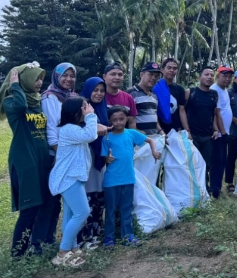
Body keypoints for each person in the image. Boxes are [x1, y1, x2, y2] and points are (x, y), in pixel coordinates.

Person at [0, 63, 51, 258]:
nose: (39, 82)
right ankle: (17, 253)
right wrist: (15, 84)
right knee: (30, 207)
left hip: (42, 159)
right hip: (25, 161)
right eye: (35, 78)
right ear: (23, 80)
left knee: (45, 203)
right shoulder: (12, 101)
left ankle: (37, 244)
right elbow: (20, 106)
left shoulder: (36, 102)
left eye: (41, 78)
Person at [102, 106, 161, 247]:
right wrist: (106, 159)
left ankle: (128, 236)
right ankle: (109, 238)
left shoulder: (131, 133)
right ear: (109, 121)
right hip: (111, 180)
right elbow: (103, 157)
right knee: (110, 210)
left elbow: (151, 140)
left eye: (121, 119)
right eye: (114, 120)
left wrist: (154, 151)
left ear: (127, 118)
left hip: (128, 178)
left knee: (126, 208)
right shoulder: (106, 137)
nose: (118, 122)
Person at [49, 97, 98, 266]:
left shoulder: (72, 129)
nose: (88, 110)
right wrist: (92, 117)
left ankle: (72, 246)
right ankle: (62, 253)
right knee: (82, 212)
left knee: (70, 215)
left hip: (73, 178)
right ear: (77, 111)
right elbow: (91, 135)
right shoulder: (69, 129)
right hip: (68, 179)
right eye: (85, 108)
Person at [38, 62, 78, 251]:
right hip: (57, 155)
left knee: (65, 200)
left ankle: (53, 238)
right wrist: (59, 154)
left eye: (72, 76)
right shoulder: (50, 97)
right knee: (51, 199)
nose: (69, 79)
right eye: (65, 75)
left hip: (69, 153)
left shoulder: (71, 97)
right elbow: (52, 129)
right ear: (57, 76)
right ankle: (41, 241)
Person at [78, 77, 111, 248]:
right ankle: (85, 237)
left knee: (99, 195)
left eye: (101, 90)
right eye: (95, 90)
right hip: (86, 156)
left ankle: (96, 232)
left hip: (100, 156)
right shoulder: (81, 108)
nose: (98, 94)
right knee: (88, 196)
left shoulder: (103, 107)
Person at [184, 66, 220, 192]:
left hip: (208, 136)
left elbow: (213, 114)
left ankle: (205, 188)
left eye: (211, 75)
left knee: (206, 164)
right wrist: (187, 131)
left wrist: (215, 129)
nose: (209, 77)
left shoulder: (214, 95)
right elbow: (182, 111)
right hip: (192, 135)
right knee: (192, 164)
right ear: (200, 77)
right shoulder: (190, 92)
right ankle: (191, 189)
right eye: (206, 74)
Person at [210, 66, 234, 198]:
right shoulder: (215, 90)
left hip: (224, 132)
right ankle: (215, 190)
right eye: (224, 75)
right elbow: (217, 114)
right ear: (217, 76)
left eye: (230, 76)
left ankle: (216, 188)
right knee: (217, 163)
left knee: (222, 162)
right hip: (218, 134)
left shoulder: (224, 90)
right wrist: (223, 133)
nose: (227, 79)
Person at [127, 61, 164, 136]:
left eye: (156, 76)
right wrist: (138, 133)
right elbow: (126, 119)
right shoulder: (130, 93)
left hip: (155, 138)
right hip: (139, 139)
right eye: (150, 74)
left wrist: (161, 131)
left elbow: (154, 117)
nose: (153, 78)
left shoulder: (154, 96)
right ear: (142, 74)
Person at [154, 58, 189, 134]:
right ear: (162, 70)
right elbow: (153, 111)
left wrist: (187, 130)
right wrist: (159, 130)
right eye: (169, 68)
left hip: (176, 129)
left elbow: (182, 111)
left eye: (175, 68)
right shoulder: (155, 87)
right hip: (159, 129)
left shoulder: (179, 89)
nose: (172, 70)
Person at [103, 62, 137, 128]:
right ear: (104, 77)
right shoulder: (98, 96)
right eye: (113, 74)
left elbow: (132, 123)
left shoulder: (128, 98)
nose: (117, 77)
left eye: (120, 74)